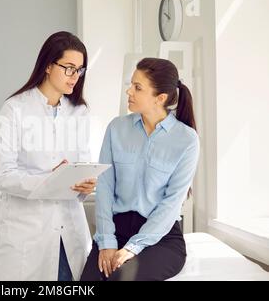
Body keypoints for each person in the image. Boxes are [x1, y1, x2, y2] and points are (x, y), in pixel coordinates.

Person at [81, 58, 200, 281]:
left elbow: (171, 203)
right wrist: (106, 241)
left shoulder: (186, 140)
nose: (129, 91)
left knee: (120, 278)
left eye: (138, 87)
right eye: (131, 84)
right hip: (116, 230)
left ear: (160, 98)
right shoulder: (117, 128)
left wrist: (134, 247)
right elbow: (105, 187)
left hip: (160, 238)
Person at [0, 31, 96, 281]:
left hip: (70, 229)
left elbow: (83, 163)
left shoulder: (79, 112)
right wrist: (50, 179)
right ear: (48, 65)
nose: (75, 76)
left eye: (79, 70)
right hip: (29, 231)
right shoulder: (14, 109)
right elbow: (2, 175)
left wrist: (85, 183)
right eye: (68, 68)